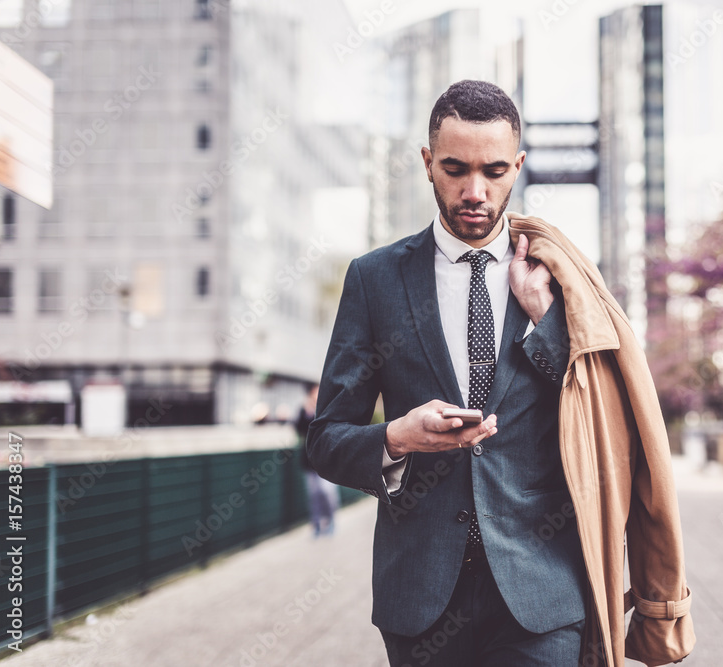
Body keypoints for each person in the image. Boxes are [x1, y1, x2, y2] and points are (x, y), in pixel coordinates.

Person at [307, 80, 694, 666]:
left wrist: (546, 320)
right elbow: (327, 440)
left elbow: (602, 413)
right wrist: (397, 438)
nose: (475, 192)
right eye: (455, 169)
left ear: (517, 166)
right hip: (420, 598)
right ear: (427, 163)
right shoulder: (374, 279)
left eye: (493, 171)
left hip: (542, 594)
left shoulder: (562, 278)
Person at [295, 384, 340, 536]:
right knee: (314, 495)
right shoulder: (304, 411)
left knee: (327, 493)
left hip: (326, 461)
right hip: (309, 461)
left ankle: (331, 521)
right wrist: (307, 411)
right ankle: (316, 526)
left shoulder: (327, 409)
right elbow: (299, 429)